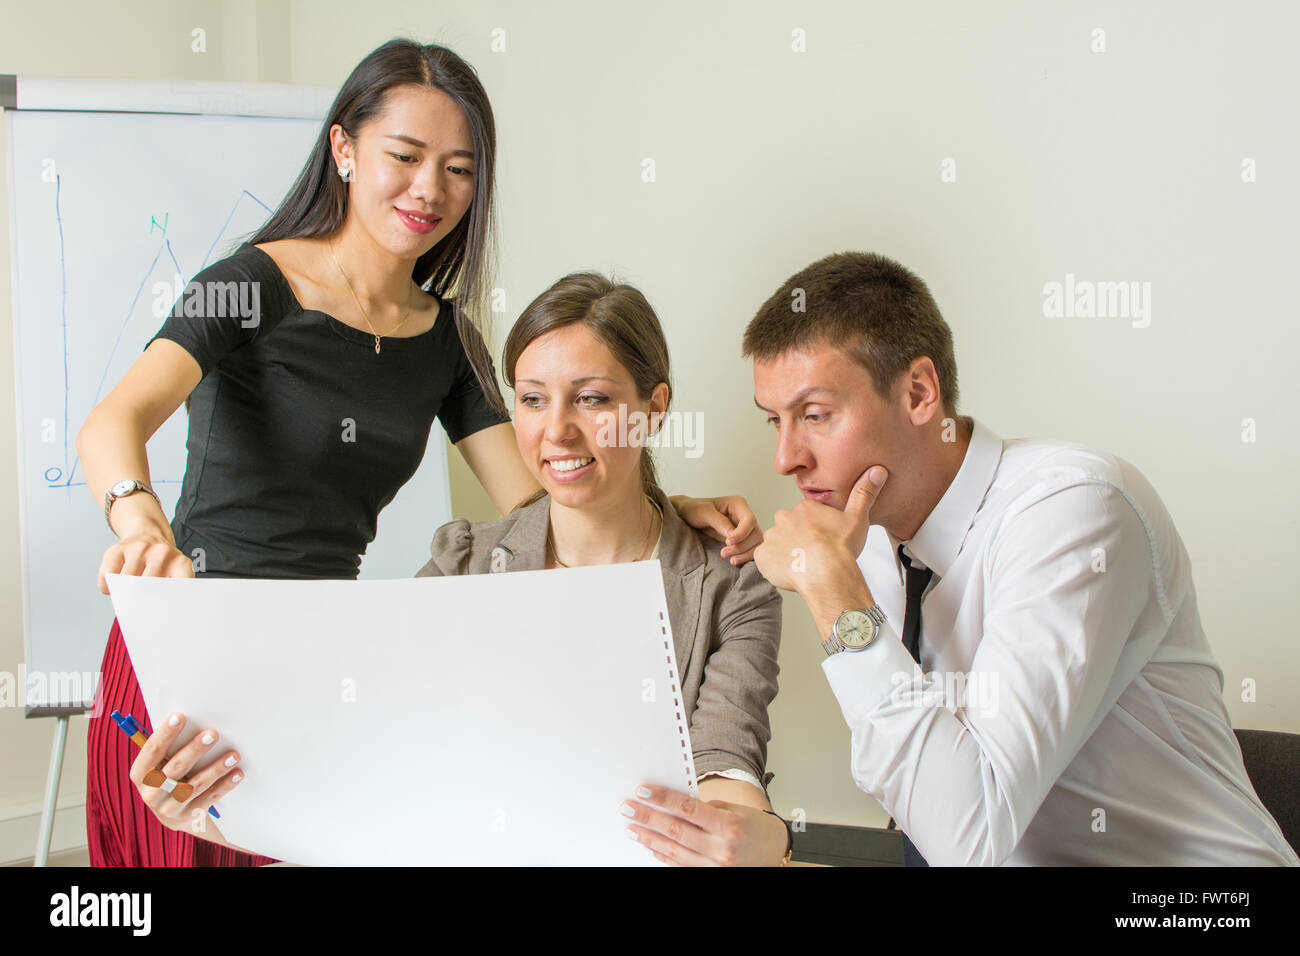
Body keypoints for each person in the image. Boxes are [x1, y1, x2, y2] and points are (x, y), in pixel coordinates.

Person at [78, 39, 761, 868]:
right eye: (404, 156)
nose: (429, 190)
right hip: (194, 643)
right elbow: (112, 422)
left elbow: (539, 499)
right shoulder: (250, 284)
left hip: (320, 658)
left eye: (459, 169)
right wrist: (139, 517)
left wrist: (664, 505)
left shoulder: (445, 340)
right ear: (343, 149)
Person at [124, 273, 791, 866]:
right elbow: (366, 750)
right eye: (532, 400)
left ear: (653, 407)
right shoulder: (464, 561)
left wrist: (750, 835)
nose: (556, 432)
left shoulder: (731, 581)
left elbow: (724, 765)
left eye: (591, 399)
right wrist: (208, 806)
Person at [721, 249, 1296, 866]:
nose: (786, 459)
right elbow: (919, 797)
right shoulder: (873, 546)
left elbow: (969, 837)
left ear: (918, 392)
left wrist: (832, 591)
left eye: (814, 415)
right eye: (773, 422)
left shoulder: (1074, 510)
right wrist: (675, 514)